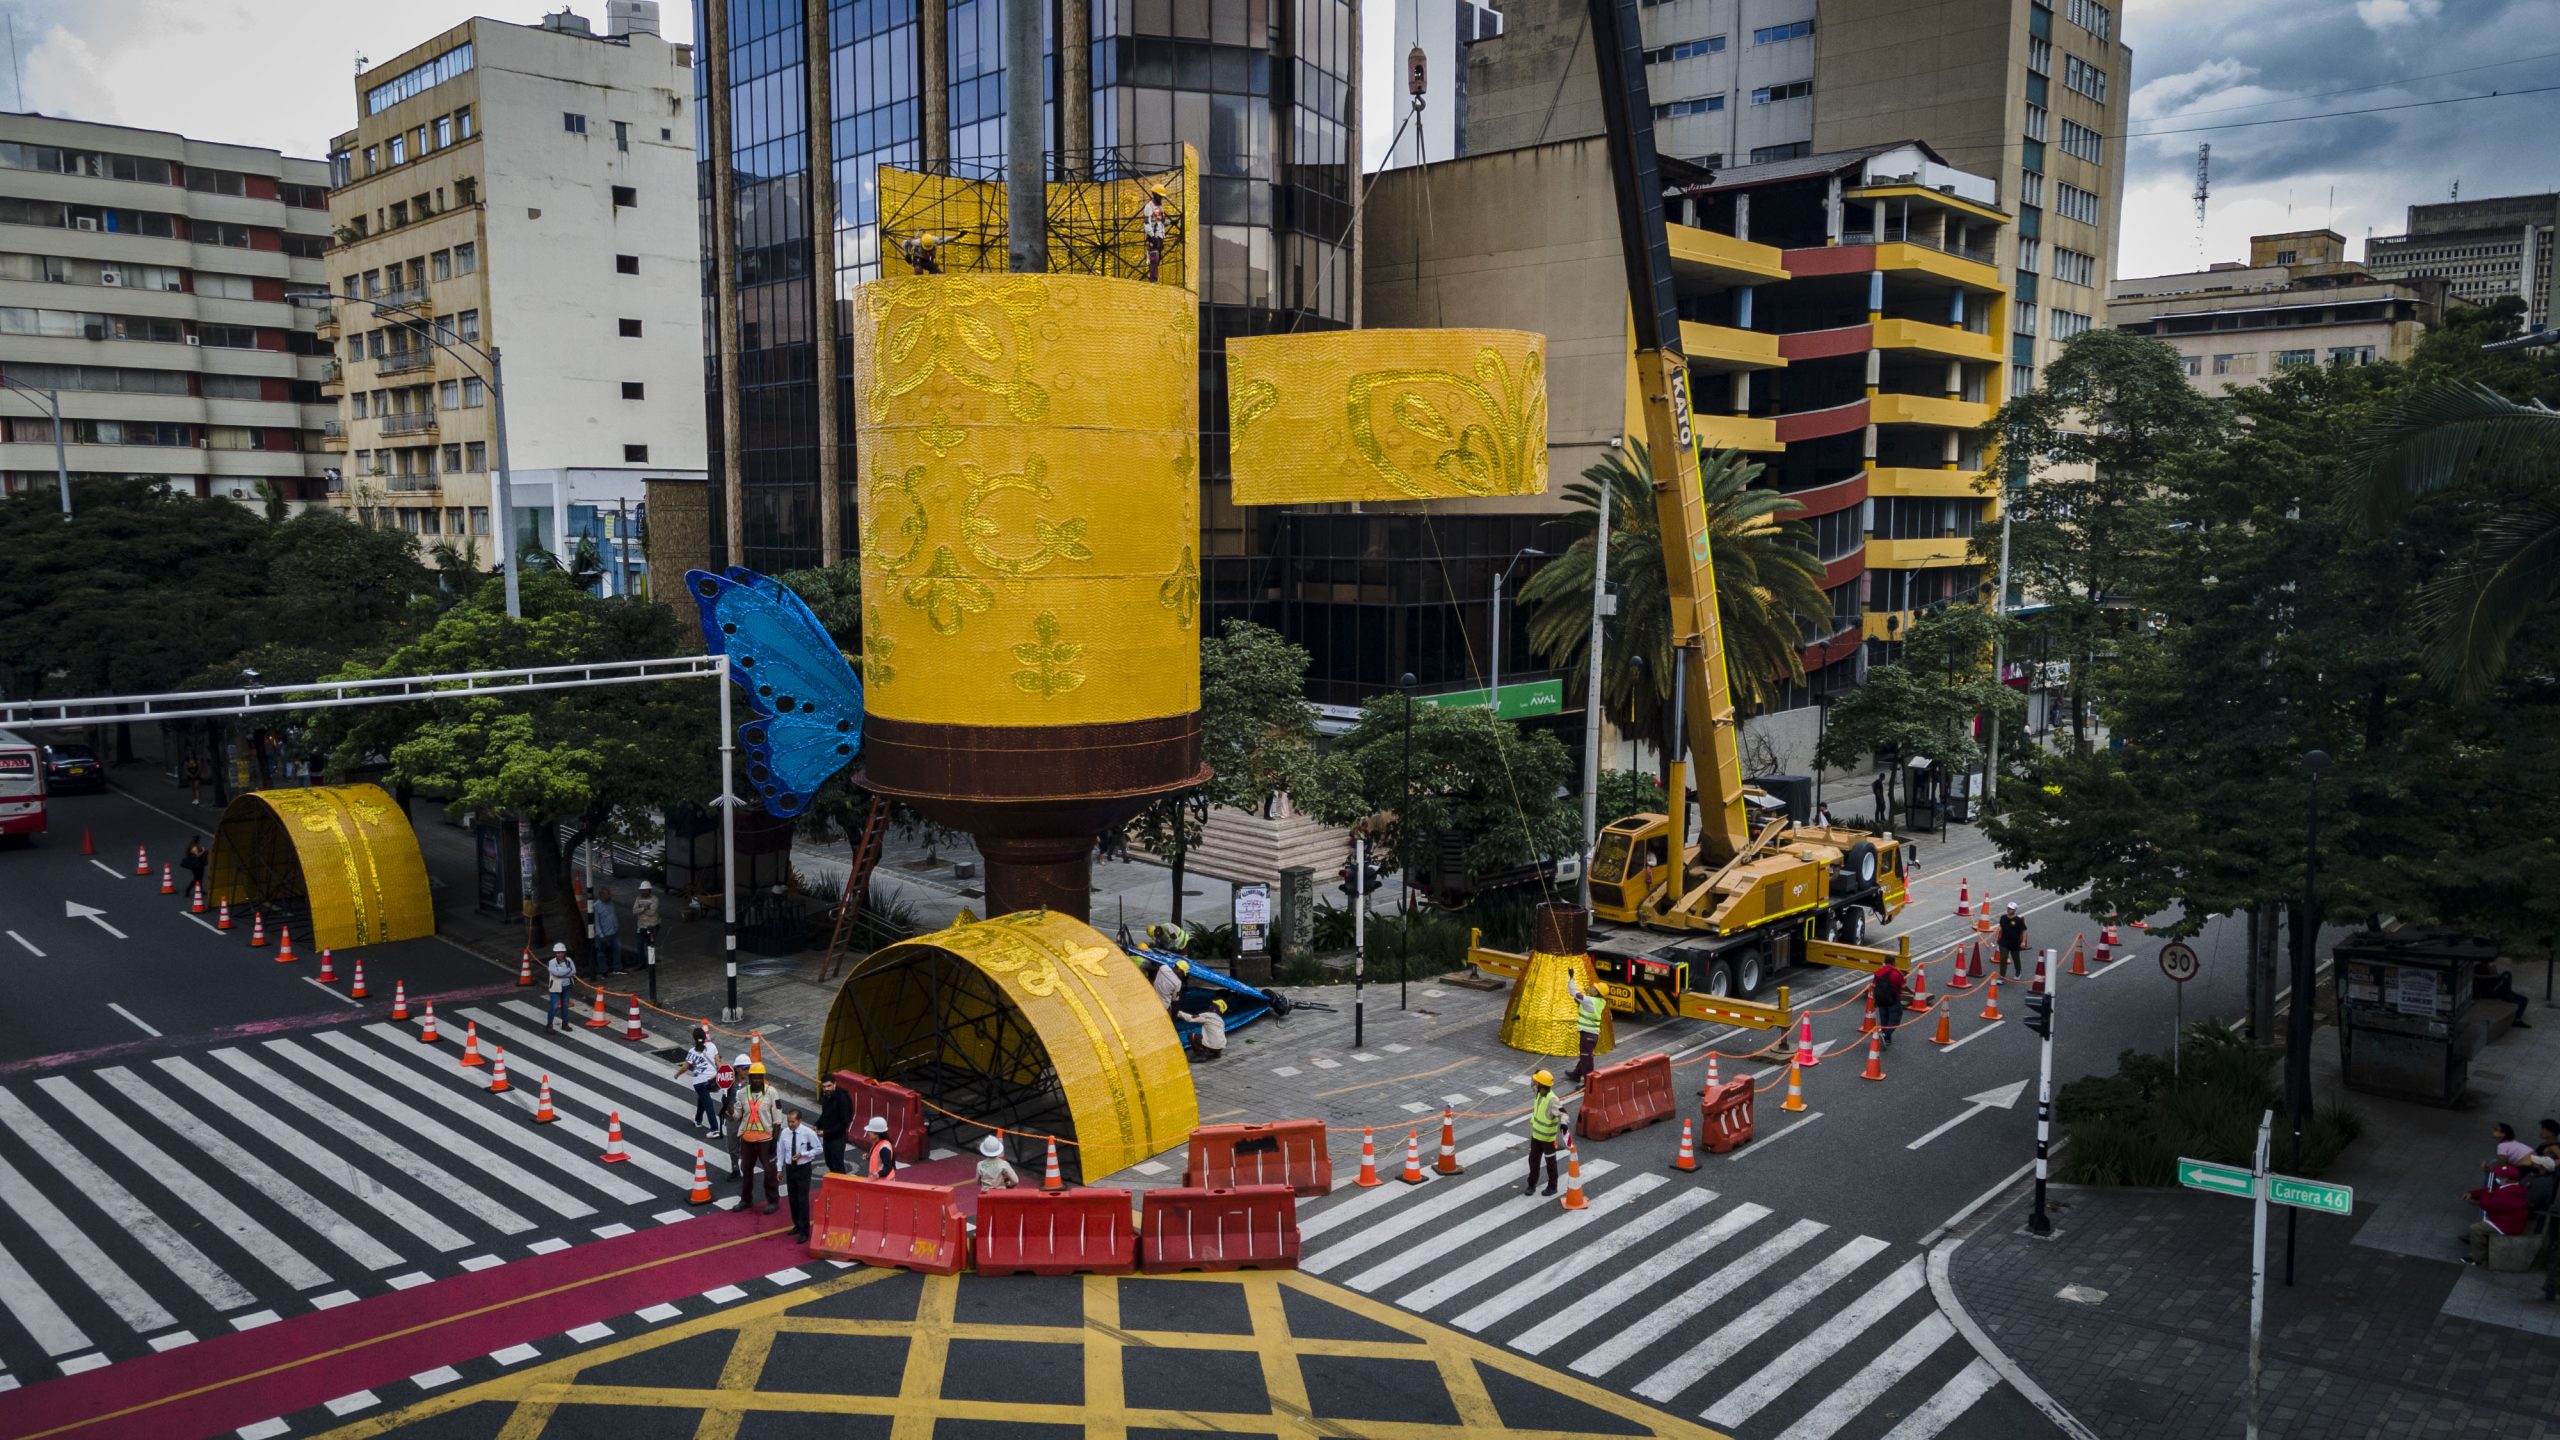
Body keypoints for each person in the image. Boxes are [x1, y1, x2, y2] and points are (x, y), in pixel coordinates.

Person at [733, 1063, 781, 1214]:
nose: (757, 1081)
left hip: (766, 1140)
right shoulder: (741, 1093)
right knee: (746, 1170)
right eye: (755, 1077)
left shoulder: (772, 1093)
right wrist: (727, 1106)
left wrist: (775, 1140)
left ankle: (773, 1201)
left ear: (763, 1078)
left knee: (769, 1171)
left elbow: (777, 1119)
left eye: (760, 1078)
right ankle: (746, 1200)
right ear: (750, 1077)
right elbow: (737, 1116)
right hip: (747, 1140)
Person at [2463, 1167, 2529, 1265]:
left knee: (2475, 1228)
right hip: (2507, 1220)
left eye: (2500, 1176)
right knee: (2480, 1220)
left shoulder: (2507, 1193)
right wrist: (2472, 1194)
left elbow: (2488, 1204)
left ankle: (2477, 1258)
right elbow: (2489, 1191)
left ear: (2507, 1179)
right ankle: (2477, 1242)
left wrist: (2478, 1198)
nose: (2498, 1177)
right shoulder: (2514, 1188)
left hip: (2506, 1226)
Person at [777, 1105, 822, 1242]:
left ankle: (804, 1230)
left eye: (793, 1122)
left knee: (802, 1199)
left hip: (803, 1168)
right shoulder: (784, 1133)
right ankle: (796, 1224)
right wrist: (779, 1169)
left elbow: (819, 1148)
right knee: (792, 1198)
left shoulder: (808, 1133)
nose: (790, 1124)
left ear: (799, 1121)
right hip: (790, 1168)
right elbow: (781, 1152)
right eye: (789, 1121)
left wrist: (804, 1154)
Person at [673, 1026, 723, 1140]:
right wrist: (722, 1073)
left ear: (694, 1039)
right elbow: (718, 1062)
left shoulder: (692, 1051)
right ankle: (698, 1119)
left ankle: (715, 1129)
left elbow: (685, 1067)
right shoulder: (712, 1046)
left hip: (699, 1082)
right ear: (705, 1036)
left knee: (708, 1104)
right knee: (703, 1098)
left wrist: (677, 1074)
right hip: (712, 1079)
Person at [1524, 1070, 1564, 1197]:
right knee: (1533, 1160)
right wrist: (1536, 1073)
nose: (1534, 1084)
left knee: (1550, 1163)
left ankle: (1553, 1186)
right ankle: (1531, 1184)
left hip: (1548, 1140)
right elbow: (1532, 1085)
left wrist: (1564, 1129)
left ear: (1542, 1085)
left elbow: (1564, 1115)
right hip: (1536, 1137)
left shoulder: (1553, 1100)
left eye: (1537, 1082)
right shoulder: (1538, 1093)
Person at [1565, 973, 1607, 1084]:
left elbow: (1574, 992)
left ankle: (1589, 1083)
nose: (1591, 988)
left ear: (1597, 992)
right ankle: (1576, 1074)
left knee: (1586, 1058)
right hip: (1592, 1035)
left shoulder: (1590, 1001)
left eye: (1594, 988)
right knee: (1585, 1056)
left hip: (1588, 1035)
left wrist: (1571, 978)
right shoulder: (1600, 1001)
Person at [2472, 960, 2532, 1028]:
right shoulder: (2477, 967)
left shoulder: (2490, 966)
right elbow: (2477, 976)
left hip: (2497, 987)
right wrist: (2492, 976)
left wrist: (2491, 967)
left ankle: (2516, 1019)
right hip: (2490, 991)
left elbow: (2495, 976)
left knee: (2524, 1000)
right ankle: (2507, 995)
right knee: (2506, 975)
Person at [817, 1073, 853, 1174]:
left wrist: (826, 1133)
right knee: (829, 1163)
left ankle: (842, 1187)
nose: (826, 1089)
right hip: (827, 1137)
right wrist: (817, 1124)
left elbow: (845, 1122)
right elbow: (825, 1114)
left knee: (838, 1166)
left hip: (838, 1138)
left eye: (829, 1086)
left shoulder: (842, 1099)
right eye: (824, 1086)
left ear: (834, 1084)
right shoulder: (826, 1096)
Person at [1871, 953, 1908, 1049]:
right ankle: (1884, 1036)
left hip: (1881, 1000)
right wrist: (1912, 992)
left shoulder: (1879, 972)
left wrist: (1875, 999)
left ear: (1885, 962)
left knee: (1884, 1020)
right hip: (1893, 1000)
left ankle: (1887, 1040)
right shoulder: (1896, 973)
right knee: (1894, 1021)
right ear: (1893, 962)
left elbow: (1873, 985)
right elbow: (1903, 986)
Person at [1141, 183, 1173, 283]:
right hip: (1153, 237)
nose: (1161, 198)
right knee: (1154, 258)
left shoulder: (1159, 206)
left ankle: (1155, 279)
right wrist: (1152, 237)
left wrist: (1170, 222)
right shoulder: (1149, 207)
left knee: (1158, 259)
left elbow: (1160, 222)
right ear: (1154, 194)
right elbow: (1147, 224)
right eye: (1160, 196)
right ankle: (1153, 281)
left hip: (1160, 236)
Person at [544, 942, 578, 1031]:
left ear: (564, 952)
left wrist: (563, 973)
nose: (559, 954)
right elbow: (557, 973)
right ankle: (549, 1025)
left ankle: (565, 1024)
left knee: (565, 1006)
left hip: (566, 986)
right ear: (555, 953)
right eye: (558, 952)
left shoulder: (569, 960)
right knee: (554, 1006)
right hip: (555, 987)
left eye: (561, 952)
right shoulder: (551, 962)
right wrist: (567, 970)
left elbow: (574, 971)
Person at [593, 886, 623, 977]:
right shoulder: (596, 906)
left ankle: (617, 968)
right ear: (602, 895)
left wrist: (616, 926)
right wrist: (601, 934)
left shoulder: (610, 903)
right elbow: (596, 921)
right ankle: (603, 971)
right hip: (603, 934)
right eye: (607, 894)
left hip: (613, 932)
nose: (610, 896)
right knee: (602, 952)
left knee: (617, 948)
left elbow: (613, 915)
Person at [632, 881, 660, 968]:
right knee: (639, 945)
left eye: (646, 890)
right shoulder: (638, 898)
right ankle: (642, 963)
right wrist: (644, 908)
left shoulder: (655, 899)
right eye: (642, 890)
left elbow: (652, 912)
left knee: (650, 945)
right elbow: (634, 911)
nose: (644, 892)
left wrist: (640, 910)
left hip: (652, 925)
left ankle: (651, 964)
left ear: (649, 890)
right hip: (640, 926)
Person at [1996, 903, 2028, 979]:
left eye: (2010, 909)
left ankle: (2018, 972)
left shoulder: (2018, 920)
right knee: (2003, 958)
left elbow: (2024, 931)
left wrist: (2023, 942)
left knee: (2016, 958)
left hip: (2015, 943)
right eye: (2008, 908)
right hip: (2004, 942)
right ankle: (2002, 976)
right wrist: (1999, 931)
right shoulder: (2003, 917)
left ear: (2014, 910)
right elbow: (2001, 926)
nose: (2008, 910)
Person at [863, 1115, 898, 1181]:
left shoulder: (884, 1148)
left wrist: (879, 1174)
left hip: (884, 1181)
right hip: (878, 1180)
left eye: (870, 1131)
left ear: (877, 1133)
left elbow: (888, 1167)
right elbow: (878, 1158)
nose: (868, 1133)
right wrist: (868, 1156)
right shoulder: (878, 1143)